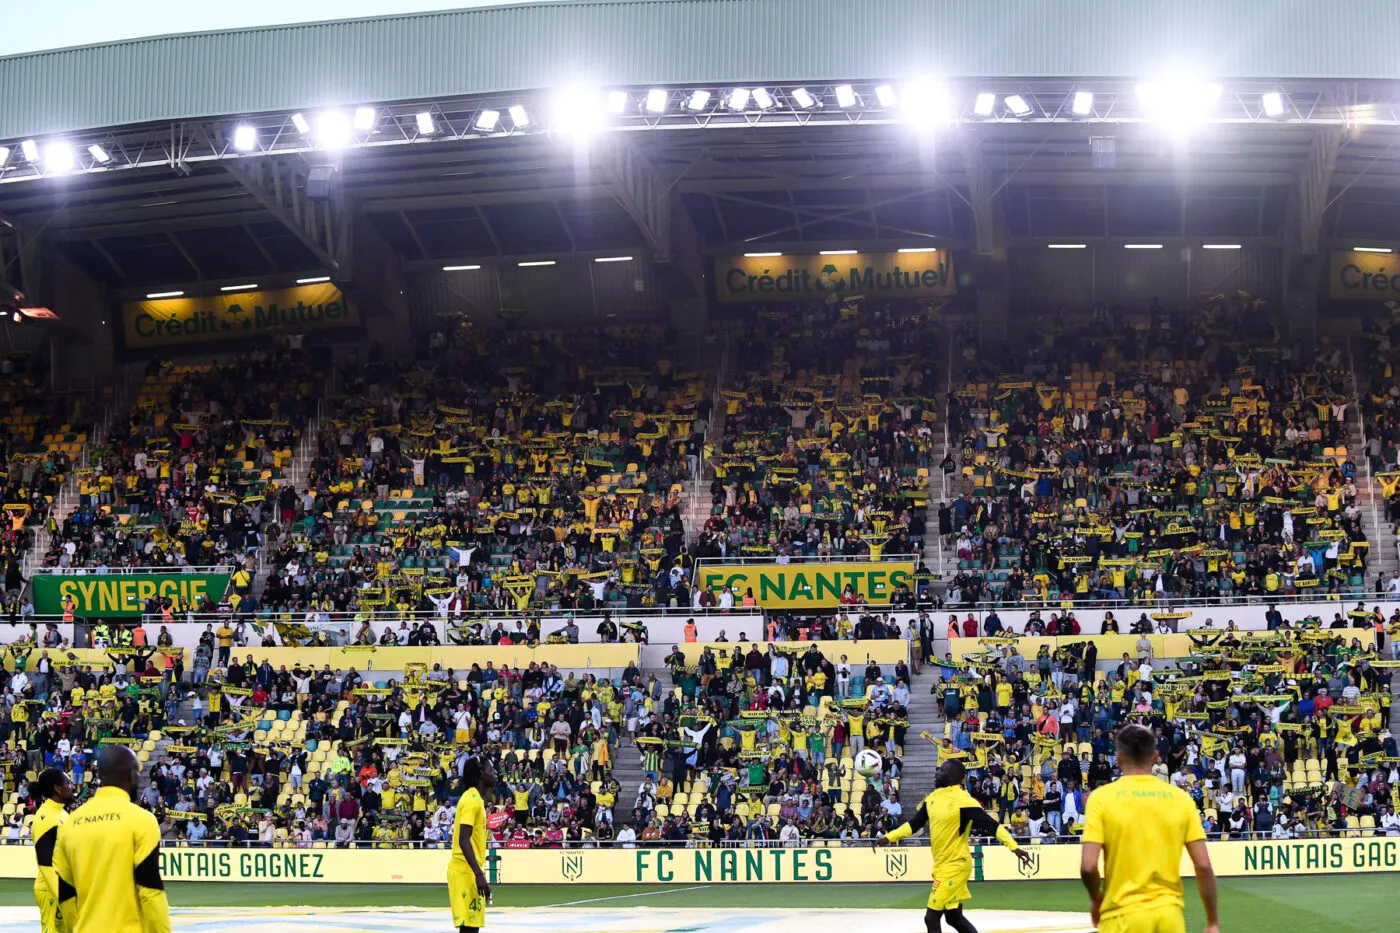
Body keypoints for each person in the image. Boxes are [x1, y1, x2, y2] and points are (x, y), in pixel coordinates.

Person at [1079, 724, 1219, 933]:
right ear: (1155, 757)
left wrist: (1096, 899)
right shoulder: (1181, 799)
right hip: (1169, 917)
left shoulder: (1101, 798)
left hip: (1121, 916)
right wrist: (1212, 922)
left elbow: (1088, 867)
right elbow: (1204, 867)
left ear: (1117, 758)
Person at [877, 759, 1031, 933]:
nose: (937, 773)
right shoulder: (933, 798)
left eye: (941, 770)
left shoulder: (963, 800)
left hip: (956, 865)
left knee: (931, 918)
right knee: (953, 917)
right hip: (941, 865)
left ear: (953, 777)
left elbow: (991, 824)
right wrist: (889, 837)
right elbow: (914, 824)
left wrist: (1014, 847)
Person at [53, 744, 172, 933]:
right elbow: (150, 891)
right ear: (132, 774)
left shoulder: (71, 823)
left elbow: (66, 896)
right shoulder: (142, 820)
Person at [448, 755, 498, 933]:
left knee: (471, 928)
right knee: (469, 929)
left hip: (469, 870)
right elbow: (463, 839)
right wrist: (479, 874)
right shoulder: (472, 800)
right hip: (465, 871)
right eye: (491, 769)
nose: (495, 773)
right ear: (481, 774)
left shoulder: (475, 799)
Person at [32, 768, 74, 933]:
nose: (71, 786)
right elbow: (45, 863)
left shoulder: (61, 813)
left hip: (63, 886)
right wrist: (62, 895)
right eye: (68, 783)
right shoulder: (46, 817)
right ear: (57, 788)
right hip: (50, 888)